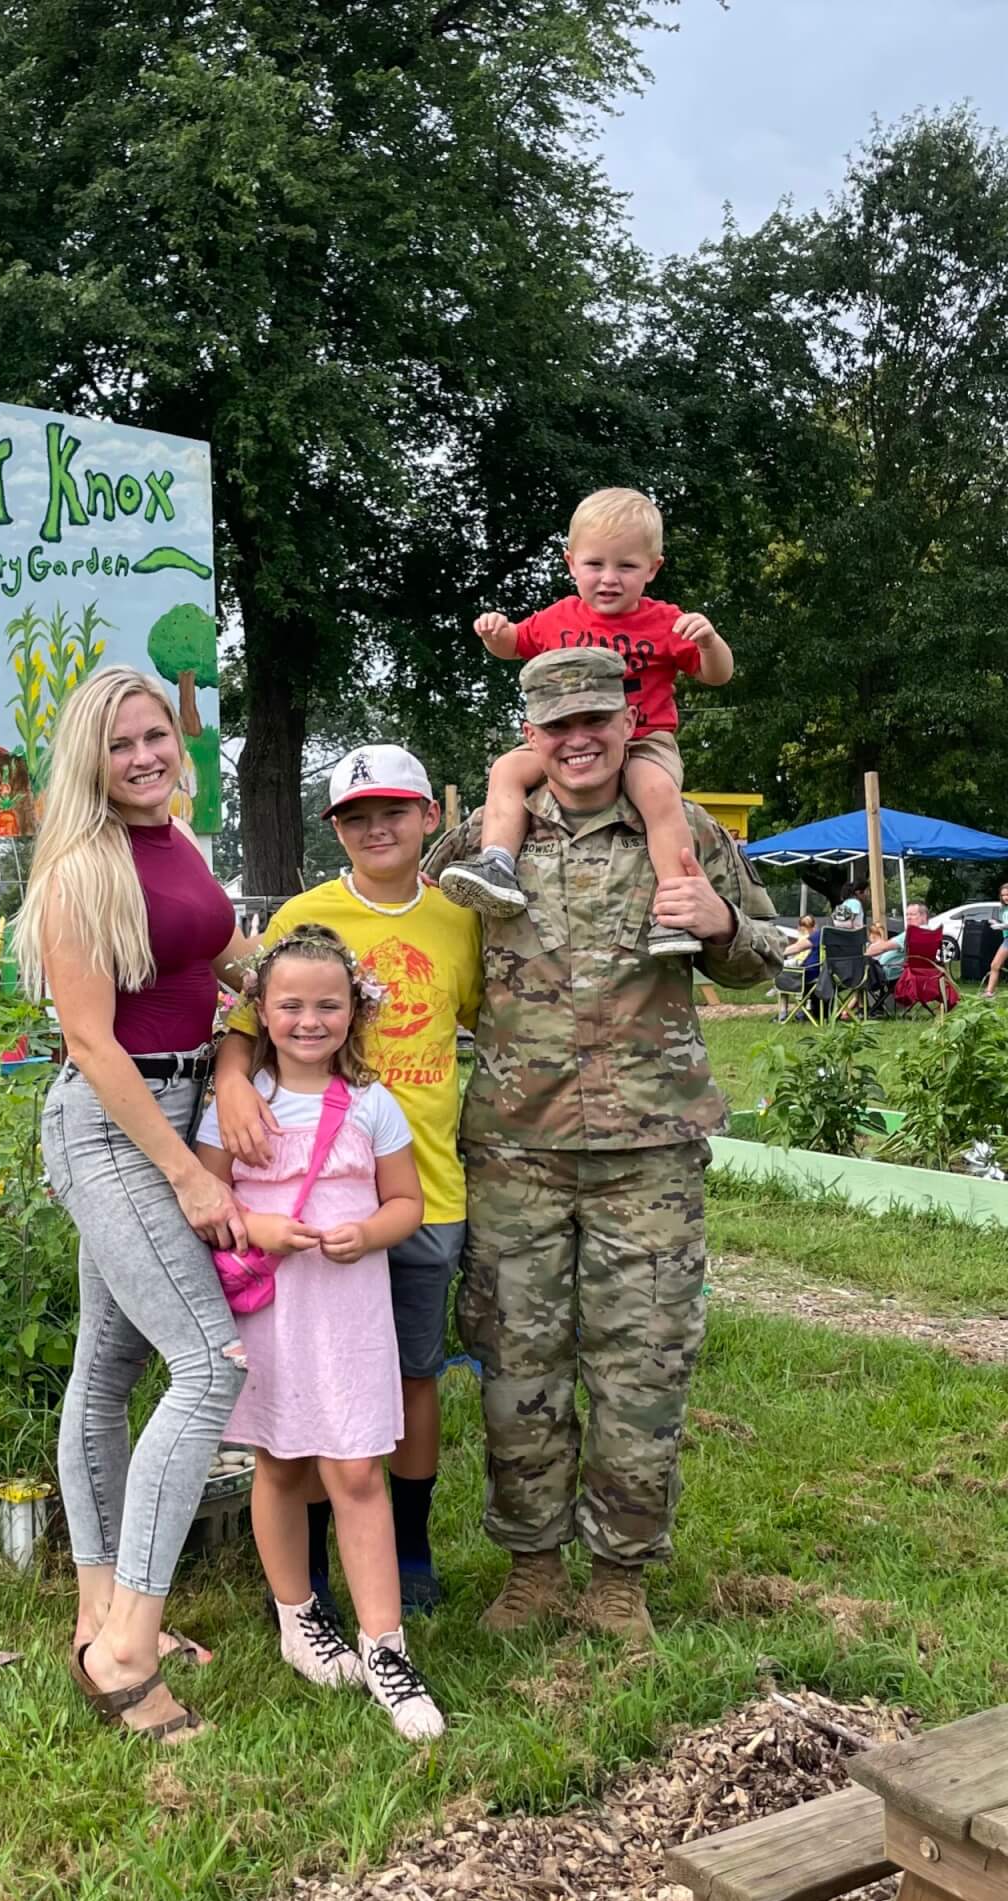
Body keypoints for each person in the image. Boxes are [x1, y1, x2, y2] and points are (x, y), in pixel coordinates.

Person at [426, 646, 785, 1646]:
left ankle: (620, 1574)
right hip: (516, 1147)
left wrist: (718, 923)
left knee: (643, 1363)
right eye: (556, 725)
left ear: (628, 721)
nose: (578, 740)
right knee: (516, 1362)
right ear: (529, 734)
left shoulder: (684, 827)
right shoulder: (483, 840)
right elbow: (412, 947)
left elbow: (765, 950)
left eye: (597, 720)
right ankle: (533, 1565)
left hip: (650, 1147)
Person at [17, 665, 258, 1745]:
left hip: (185, 1094)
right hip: (117, 1125)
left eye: (156, 735)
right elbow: (89, 1044)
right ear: (90, 758)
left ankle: (99, 1613)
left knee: (108, 1367)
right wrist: (187, 1168)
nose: (146, 756)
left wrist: (288, 1001)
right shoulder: (80, 869)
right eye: (121, 744)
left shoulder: (183, 840)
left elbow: (227, 962)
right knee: (209, 1362)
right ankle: (123, 1651)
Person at [213, 745, 483, 1613]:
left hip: (421, 1189)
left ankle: (408, 1548)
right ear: (337, 829)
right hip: (303, 1202)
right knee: (311, 1387)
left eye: (394, 812)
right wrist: (226, 1079)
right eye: (357, 816)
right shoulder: (305, 914)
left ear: (428, 818)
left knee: (409, 1375)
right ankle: (315, 1566)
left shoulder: (459, 920)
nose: (378, 829)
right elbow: (250, 1021)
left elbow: (495, 1023)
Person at [194, 926, 444, 1741]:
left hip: (350, 1315)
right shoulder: (236, 1105)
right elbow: (202, 1201)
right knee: (280, 1459)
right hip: (274, 1314)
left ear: (354, 1011)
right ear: (260, 1012)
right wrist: (252, 1224)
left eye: (328, 1005)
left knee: (357, 1469)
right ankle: (298, 1619)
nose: (310, 1020)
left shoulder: (374, 1105)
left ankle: (385, 1647)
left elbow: (406, 1203)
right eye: (291, 1005)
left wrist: (371, 1234)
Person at [438, 488, 735, 959]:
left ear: (653, 568)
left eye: (627, 567)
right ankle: (496, 862)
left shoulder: (665, 622)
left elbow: (717, 675)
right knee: (505, 772)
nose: (610, 579)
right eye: (596, 565)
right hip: (568, 740)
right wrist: (495, 633)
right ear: (571, 562)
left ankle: (674, 905)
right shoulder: (559, 617)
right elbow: (516, 643)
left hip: (644, 739)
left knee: (655, 790)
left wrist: (709, 643)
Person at [983, 882, 1008, 996]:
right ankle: (989, 992)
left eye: (1007, 894)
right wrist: (997, 923)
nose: (1005, 897)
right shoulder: (1003, 908)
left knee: (995, 965)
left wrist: (1001, 926)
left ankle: (989, 992)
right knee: (995, 965)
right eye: (1003, 895)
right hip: (1006, 939)